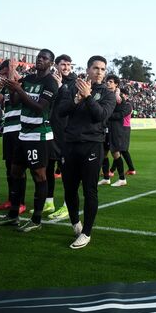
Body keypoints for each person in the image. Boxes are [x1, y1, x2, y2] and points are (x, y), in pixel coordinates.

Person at [0, 49, 59, 232]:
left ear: (51, 63)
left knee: (39, 175)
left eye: (44, 58)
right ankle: (13, 215)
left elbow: (39, 108)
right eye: (39, 57)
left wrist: (19, 89)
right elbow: (15, 102)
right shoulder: (28, 78)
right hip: (23, 133)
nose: (40, 60)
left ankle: (36, 220)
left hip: (38, 135)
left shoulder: (50, 83)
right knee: (15, 172)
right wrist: (12, 87)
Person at [57, 55, 116, 249]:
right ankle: (75, 223)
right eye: (96, 68)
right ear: (88, 69)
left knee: (90, 190)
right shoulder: (72, 87)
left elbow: (101, 116)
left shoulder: (107, 94)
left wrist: (88, 97)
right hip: (70, 144)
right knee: (69, 189)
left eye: (103, 69)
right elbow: (61, 111)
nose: (99, 72)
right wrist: (76, 99)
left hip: (92, 145)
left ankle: (86, 233)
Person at [0, 60, 26, 215]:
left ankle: (21, 202)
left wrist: (12, 71)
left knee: (19, 168)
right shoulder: (5, 88)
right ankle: (12, 200)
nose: (2, 76)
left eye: (4, 72)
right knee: (9, 168)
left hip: (19, 129)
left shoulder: (23, 84)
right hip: (8, 130)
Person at [46, 54, 75, 220]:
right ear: (56, 65)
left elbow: (72, 102)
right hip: (50, 129)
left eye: (69, 65)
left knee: (67, 171)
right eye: (63, 64)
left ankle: (67, 205)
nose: (66, 67)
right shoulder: (49, 80)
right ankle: (48, 202)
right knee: (48, 167)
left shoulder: (74, 82)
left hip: (66, 131)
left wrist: (61, 86)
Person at [107, 84, 133, 187]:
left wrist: (108, 115)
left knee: (121, 151)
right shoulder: (116, 103)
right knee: (119, 151)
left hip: (123, 129)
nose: (122, 96)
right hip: (115, 128)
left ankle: (115, 172)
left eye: (123, 94)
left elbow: (120, 114)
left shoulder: (127, 105)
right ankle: (110, 173)